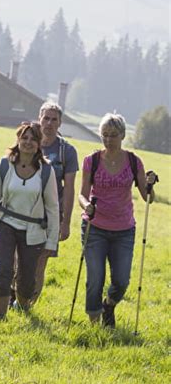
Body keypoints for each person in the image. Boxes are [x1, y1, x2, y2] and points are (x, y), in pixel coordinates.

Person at [78, 113, 157, 328]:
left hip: (123, 230)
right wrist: (87, 206)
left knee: (122, 281)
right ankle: (95, 326)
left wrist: (150, 184)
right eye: (104, 135)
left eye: (113, 135)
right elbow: (82, 194)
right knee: (95, 278)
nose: (108, 140)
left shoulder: (133, 161)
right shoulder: (91, 161)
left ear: (123, 135)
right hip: (94, 227)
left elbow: (148, 197)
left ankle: (109, 304)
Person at [0, 122, 59, 320]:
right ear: (18, 140)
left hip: (33, 230)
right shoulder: (5, 165)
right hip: (5, 224)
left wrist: (52, 241)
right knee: (2, 270)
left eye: (33, 139)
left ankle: (21, 306)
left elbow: (53, 208)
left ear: (39, 144)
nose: (28, 142)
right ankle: (0, 316)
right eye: (24, 137)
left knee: (27, 281)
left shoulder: (46, 172)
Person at [31, 101, 79, 302]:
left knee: (40, 261)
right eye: (46, 118)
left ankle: (28, 304)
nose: (49, 123)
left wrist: (65, 222)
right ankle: (14, 296)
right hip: (23, 210)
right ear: (39, 118)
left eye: (54, 119)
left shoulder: (66, 151)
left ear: (60, 123)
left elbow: (69, 189)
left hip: (50, 215)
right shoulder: (27, 141)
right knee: (18, 258)